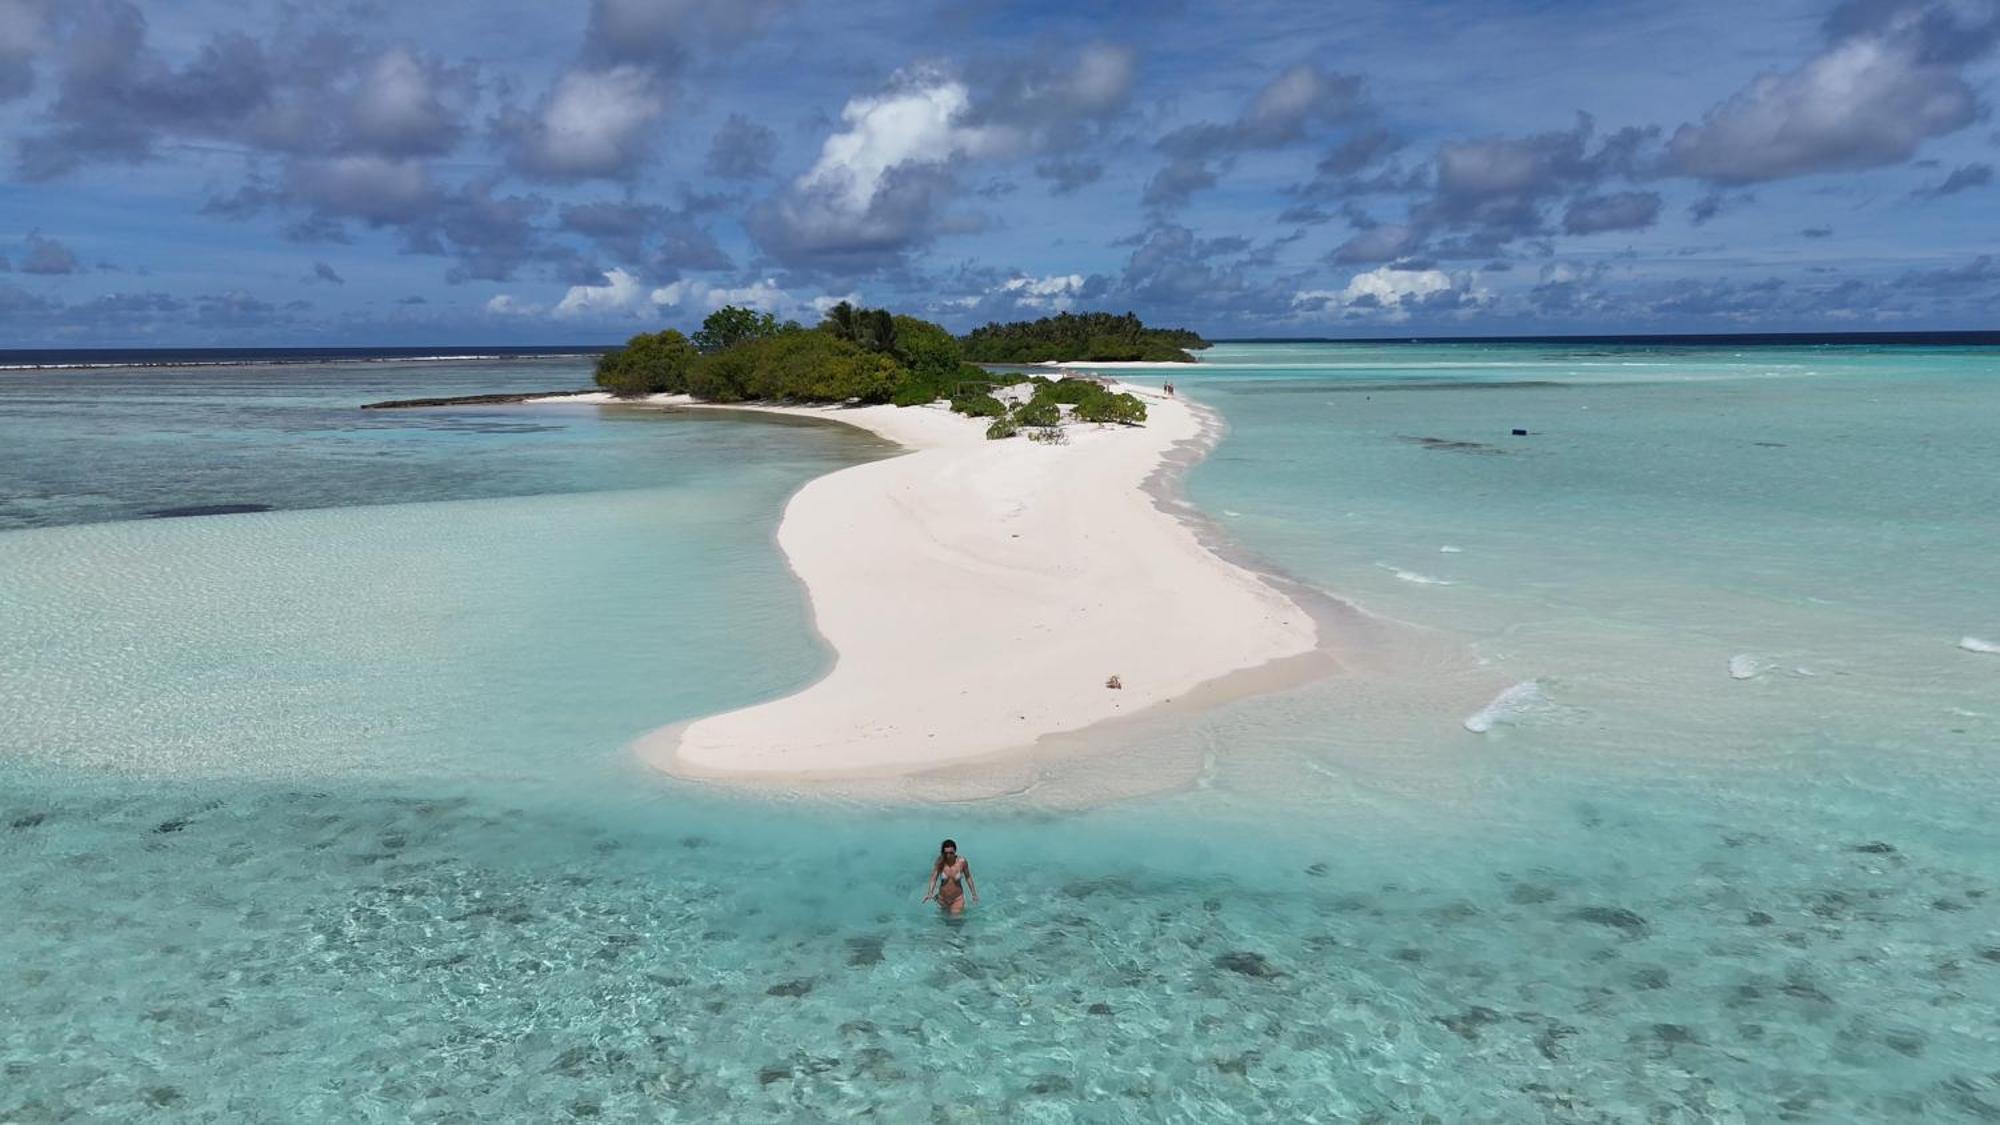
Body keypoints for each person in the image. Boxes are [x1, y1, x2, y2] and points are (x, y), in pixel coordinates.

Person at [921, 838, 977, 915]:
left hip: (957, 899)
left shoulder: (962, 862)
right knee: (943, 922)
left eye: (951, 853)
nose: (948, 855)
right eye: (946, 853)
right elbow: (934, 878)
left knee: (956, 922)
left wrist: (973, 894)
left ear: (955, 851)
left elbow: (968, 877)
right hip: (942, 899)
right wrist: (930, 893)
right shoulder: (940, 861)